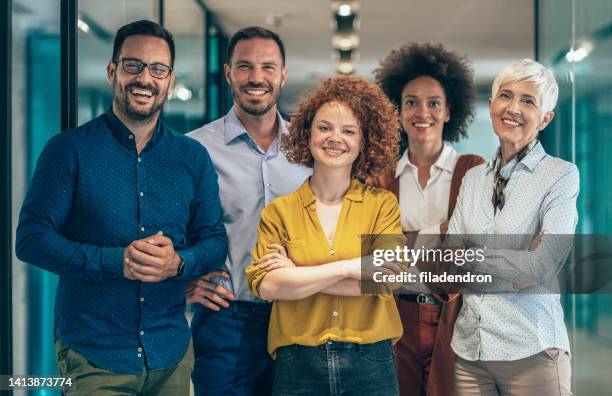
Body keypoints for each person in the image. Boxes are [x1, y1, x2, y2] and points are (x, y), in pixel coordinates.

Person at [15, 20, 227, 394]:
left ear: (170, 80)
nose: (145, 78)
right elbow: (31, 239)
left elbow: (213, 240)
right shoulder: (69, 151)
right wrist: (117, 262)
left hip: (170, 354)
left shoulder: (192, 158)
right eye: (134, 65)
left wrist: (177, 263)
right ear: (113, 70)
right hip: (94, 355)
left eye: (158, 69)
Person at [246, 75, 406, 396]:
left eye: (349, 131)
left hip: (370, 361)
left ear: (365, 141)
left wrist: (297, 276)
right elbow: (268, 285)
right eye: (325, 127)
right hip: (297, 363)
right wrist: (351, 268)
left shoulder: (382, 205)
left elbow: (386, 278)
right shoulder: (279, 212)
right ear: (307, 134)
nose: (335, 138)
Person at [187, 26, 311, 395]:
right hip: (226, 320)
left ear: (283, 75)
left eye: (268, 67)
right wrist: (183, 284)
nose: (256, 77)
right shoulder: (195, 150)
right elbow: (169, 226)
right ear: (228, 73)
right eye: (245, 67)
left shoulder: (309, 151)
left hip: (298, 316)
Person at [448, 59, 578, 395]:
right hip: (470, 353)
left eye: (528, 101)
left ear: (545, 118)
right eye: (506, 96)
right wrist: (515, 261)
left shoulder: (561, 177)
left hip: (532, 351)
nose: (513, 108)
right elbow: (450, 260)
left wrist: (475, 258)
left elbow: (541, 265)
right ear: (491, 106)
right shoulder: (473, 178)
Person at [369, 43, 484, 396]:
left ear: (449, 111)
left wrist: (405, 242)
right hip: (395, 319)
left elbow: (475, 247)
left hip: (456, 317)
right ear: (398, 111)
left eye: (434, 102)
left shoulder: (472, 170)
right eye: (411, 102)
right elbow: (373, 254)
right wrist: (442, 238)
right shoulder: (381, 177)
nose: (423, 112)